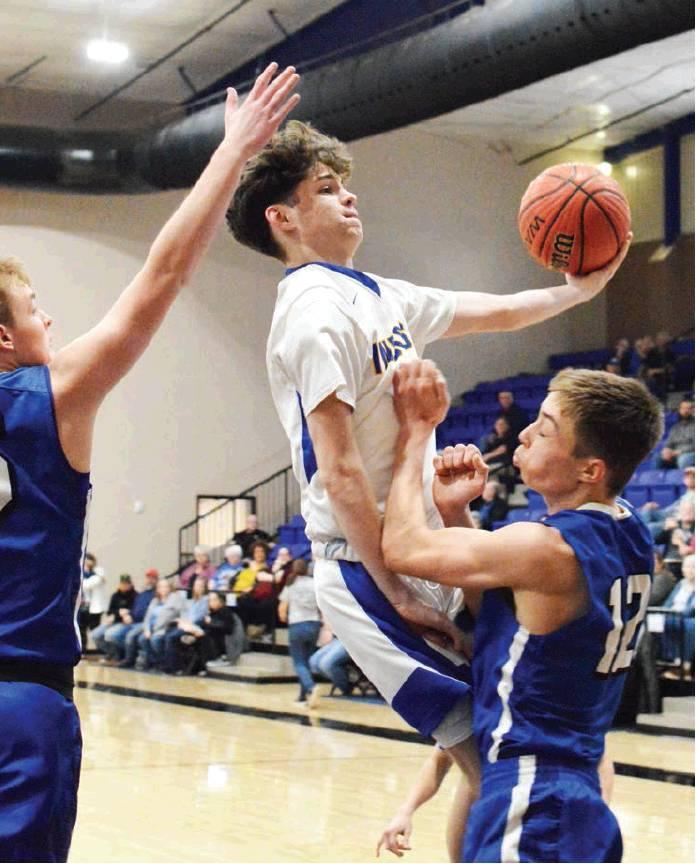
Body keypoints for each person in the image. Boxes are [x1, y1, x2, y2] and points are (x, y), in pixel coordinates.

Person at [227, 117, 631, 781]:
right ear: (283, 217)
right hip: (367, 567)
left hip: (424, 548)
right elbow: (341, 470)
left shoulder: (380, 295)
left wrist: (580, 290)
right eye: (326, 189)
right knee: (489, 757)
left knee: (533, 735)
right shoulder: (312, 313)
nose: (349, 197)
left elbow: (495, 311)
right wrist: (395, 589)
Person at [0, 62, 299, 861]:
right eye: (35, 311)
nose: (52, 318)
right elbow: (160, 276)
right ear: (3, 339)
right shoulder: (47, 395)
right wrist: (231, 152)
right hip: (20, 701)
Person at [382, 359, 662, 862]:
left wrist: (415, 433)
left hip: (536, 791)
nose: (526, 434)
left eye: (546, 429)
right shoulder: (630, 531)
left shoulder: (547, 547)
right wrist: (454, 513)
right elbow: (512, 610)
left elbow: (402, 548)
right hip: (571, 784)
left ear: (590, 470)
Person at [277, 559, 322, 707]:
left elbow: (282, 609)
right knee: (306, 661)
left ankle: (310, 687)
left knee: (299, 661)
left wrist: (284, 617)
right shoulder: (314, 583)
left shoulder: (291, 585)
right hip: (314, 623)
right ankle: (303, 697)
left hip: (297, 623)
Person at [104, 568, 158, 663]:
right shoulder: (141, 594)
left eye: (152, 578)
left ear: (156, 579)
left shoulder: (155, 595)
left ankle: (129, 659)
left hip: (143, 622)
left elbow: (149, 613)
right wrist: (129, 615)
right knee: (112, 635)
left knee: (130, 635)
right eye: (148, 577)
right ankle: (124, 654)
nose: (149, 580)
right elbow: (134, 609)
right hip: (131, 621)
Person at [161, 575, 209, 673]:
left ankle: (174, 667)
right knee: (166, 634)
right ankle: (168, 664)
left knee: (172, 637)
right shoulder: (190, 601)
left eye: (200, 586)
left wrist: (187, 624)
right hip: (185, 625)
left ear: (204, 588)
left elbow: (200, 617)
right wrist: (181, 621)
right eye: (196, 585)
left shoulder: (205, 601)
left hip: (194, 627)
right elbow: (185, 613)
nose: (198, 588)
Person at [92, 574, 137, 657]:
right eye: (123, 583)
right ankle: (112, 653)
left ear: (131, 584)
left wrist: (123, 614)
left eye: (127, 583)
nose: (124, 585)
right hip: (113, 621)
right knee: (95, 634)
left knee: (110, 635)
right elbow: (110, 611)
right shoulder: (115, 596)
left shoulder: (135, 596)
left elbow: (133, 611)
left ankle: (122, 654)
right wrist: (118, 613)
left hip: (125, 623)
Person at [77, 552, 108, 649]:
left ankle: (102, 650)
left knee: (95, 630)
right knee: (81, 630)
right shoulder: (80, 572)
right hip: (82, 606)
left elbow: (86, 585)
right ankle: (83, 650)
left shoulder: (99, 572)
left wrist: (81, 580)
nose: (87, 562)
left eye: (89, 560)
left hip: (95, 607)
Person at [658, 399, 694, 468]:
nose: (685, 411)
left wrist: (679, 452)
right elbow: (669, 443)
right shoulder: (675, 427)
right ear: (679, 410)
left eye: (688, 408)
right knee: (657, 457)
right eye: (683, 408)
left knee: (683, 460)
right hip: (675, 453)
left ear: (693, 410)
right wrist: (666, 450)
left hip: (690, 453)